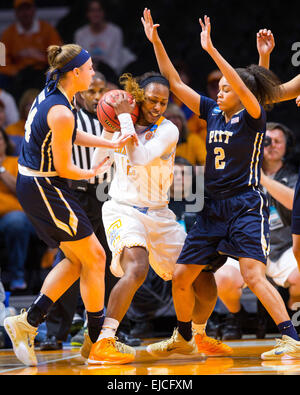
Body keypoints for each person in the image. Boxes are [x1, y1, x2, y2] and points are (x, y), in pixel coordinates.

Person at [142, 9, 300, 360]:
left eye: (227, 88)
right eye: (220, 87)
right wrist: (157, 42)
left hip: (245, 204)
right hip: (213, 207)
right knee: (181, 275)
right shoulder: (212, 110)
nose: (221, 90)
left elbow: (249, 88)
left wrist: (212, 50)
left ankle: (290, 338)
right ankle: (185, 337)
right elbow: (173, 81)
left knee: (253, 275)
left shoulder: (254, 117)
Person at [3, 43, 133, 367]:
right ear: (75, 72)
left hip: (42, 183)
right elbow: (65, 168)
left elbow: (70, 135)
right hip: (44, 185)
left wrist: (108, 142)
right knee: (96, 256)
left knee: (80, 262)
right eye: (89, 69)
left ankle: (33, 323)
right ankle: (95, 338)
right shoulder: (60, 110)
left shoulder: (58, 93)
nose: (93, 73)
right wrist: (94, 170)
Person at [215, 122, 300, 340]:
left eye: (277, 141)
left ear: (286, 146)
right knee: (222, 278)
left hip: (283, 250)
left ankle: (293, 311)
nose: (271, 146)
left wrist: (263, 179)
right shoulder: (239, 172)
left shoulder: (294, 176)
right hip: (247, 248)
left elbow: (294, 202)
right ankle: (237, 316)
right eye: (267, 141)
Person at [0, 0, 62, 96]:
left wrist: (41, 57)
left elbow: (58, 56)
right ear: (16, 13)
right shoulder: (7, 34)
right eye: (21, 9)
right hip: (18, 76)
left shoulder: (47, 29)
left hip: (42, 72)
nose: (25, 13)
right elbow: (2, 62)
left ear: (34, 10)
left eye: (28, 8)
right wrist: (15, 71)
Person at [0, 127, 36, 291]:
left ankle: (17, 277)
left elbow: (21, 189)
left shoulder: (16, 162)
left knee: (16, 221)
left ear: (5, 143)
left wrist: (1, 170)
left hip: (14, 218)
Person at [74, 0, 136, 76]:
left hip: (111, 74)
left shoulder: (115, 32)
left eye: (99, 10)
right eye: (92, 11)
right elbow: (80, 61)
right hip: (88, 74)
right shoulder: (80, 34)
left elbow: (115, 62)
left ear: (104, 12)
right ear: (87, 13)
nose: (95, 14)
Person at [6, 89, 39, 156]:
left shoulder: (48, 128)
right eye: (29, 105)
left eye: (36, 104)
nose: (32, 108)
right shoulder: (10, 130)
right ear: (23, 107)